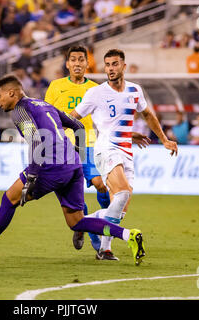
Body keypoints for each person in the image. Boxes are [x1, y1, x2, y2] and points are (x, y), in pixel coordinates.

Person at [0, 75, 146, 265]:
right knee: (76, 222)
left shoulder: (19, 110)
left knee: (9, 199)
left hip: (49, 166)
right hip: (72, 165)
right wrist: (78, 158)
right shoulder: (42, 104)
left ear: (12, 93)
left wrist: (31, 177)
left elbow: (36, 140)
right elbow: (78, 126)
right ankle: (128, 234)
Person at [70, 49, 178, 261]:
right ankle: (108, 246)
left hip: (127, 152)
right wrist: (68, 140)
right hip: (105, 149)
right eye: (107, 65)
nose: (110, 69)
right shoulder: (96, 93)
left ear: (124, 66)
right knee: (122, 193)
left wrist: (164, 139)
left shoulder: (134, 90)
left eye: (115, 64)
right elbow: (73, 117)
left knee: (119, 208)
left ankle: (87, 225)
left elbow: (147, 114)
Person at [44, 45, 151, 259]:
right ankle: (89, 229)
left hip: (91, 144)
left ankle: (100, 230)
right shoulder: (56, 87)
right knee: (76, 198)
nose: (77, 63)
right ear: (67, 64)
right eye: (73, 60)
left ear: (87, 64)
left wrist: (129, 136)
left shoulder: (97, 88)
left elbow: (109, 123)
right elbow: (47, 117)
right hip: (65, 147)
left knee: (103, 186)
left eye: (81, 60)